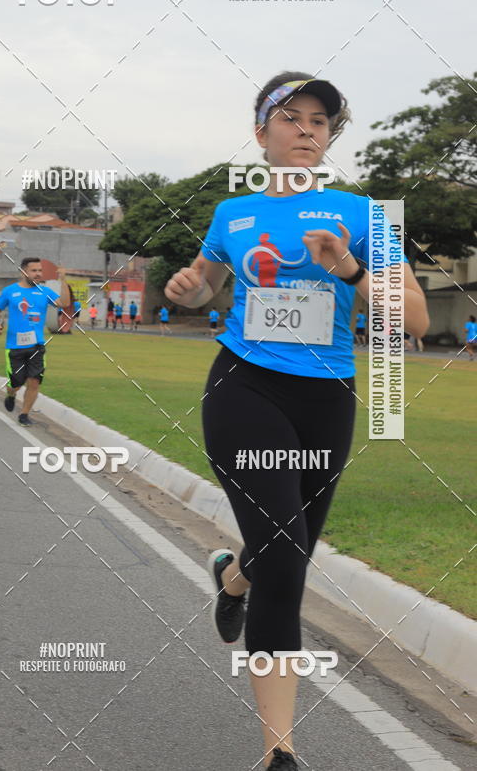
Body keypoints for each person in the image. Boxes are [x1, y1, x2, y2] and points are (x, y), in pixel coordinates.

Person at [164, 72, 430, 770]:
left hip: (326, 400)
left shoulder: (363, 215)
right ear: (262, 133)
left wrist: (347, 268)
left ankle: (231, 579)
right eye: (292, 117)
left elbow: (417, 319)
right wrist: (188, 287)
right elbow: (206, 285)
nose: (308, 129)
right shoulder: (232, 214)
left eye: (321, 120)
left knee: (287, 553)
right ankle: (279, 751)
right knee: (286, 560)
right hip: (244, 388)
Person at [0, 258, 69, 426]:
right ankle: (11, 394)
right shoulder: (10, 291)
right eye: (34, 270)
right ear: (24, 272)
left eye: (40, 270)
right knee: (16, 383)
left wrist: (63, 281)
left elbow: (64, 303)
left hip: (37, 345)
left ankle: (24, 414)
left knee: (34, 381)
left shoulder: (44, 291)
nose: (38, 274)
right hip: (14, 346)